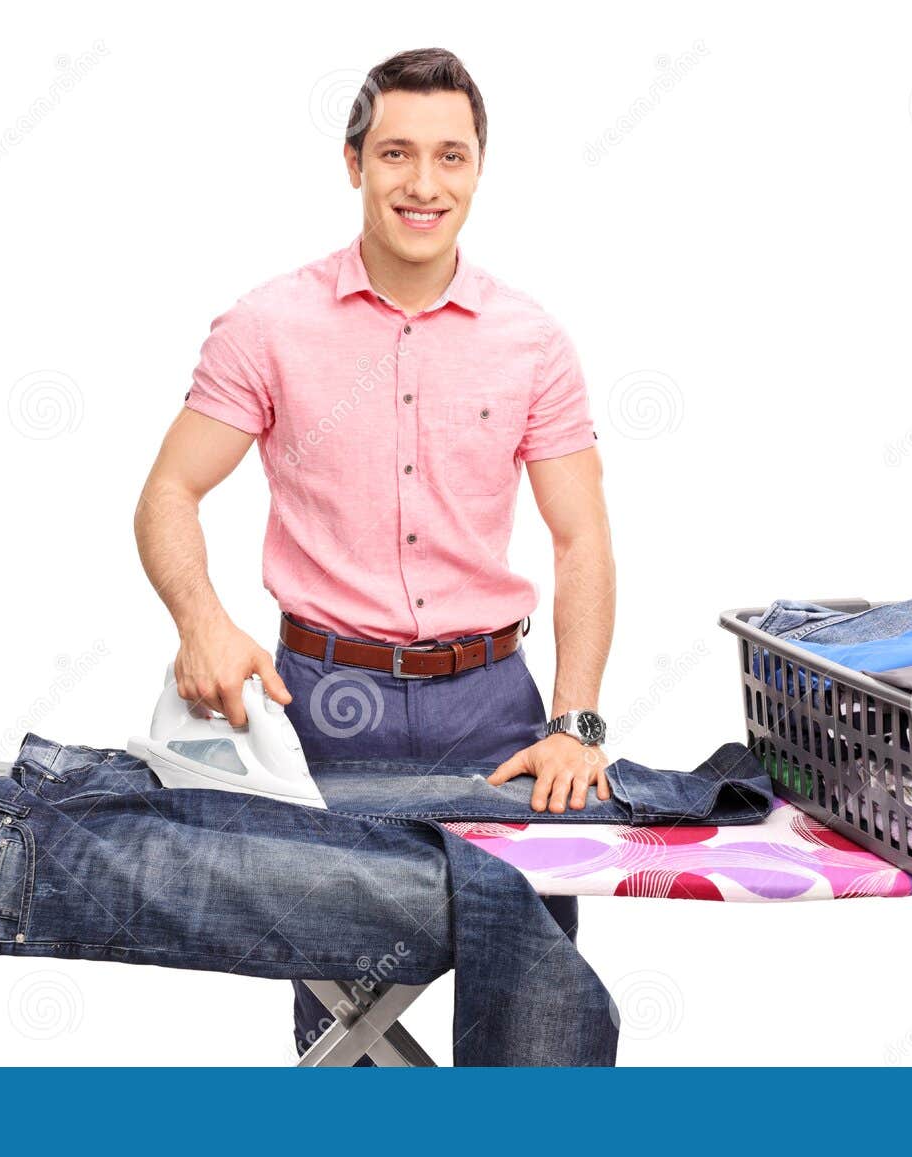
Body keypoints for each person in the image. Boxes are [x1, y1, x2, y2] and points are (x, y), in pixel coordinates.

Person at [134, 46, 615, 1062]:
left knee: (532, 1024)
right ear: (354, 163)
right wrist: (203, 622)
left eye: (450, 155)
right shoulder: (266, 325)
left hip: (496, 712)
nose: (423, 183)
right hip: (323, 705)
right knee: (346, 1039)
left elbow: (582, 539)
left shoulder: (532, 340)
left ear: (479, 169)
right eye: (397, 152)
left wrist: (575, 721)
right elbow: (169, 493)